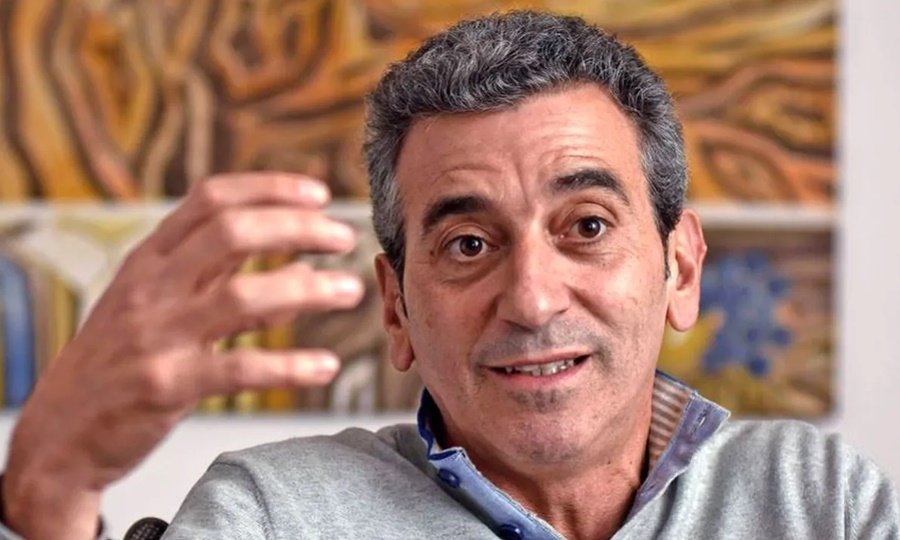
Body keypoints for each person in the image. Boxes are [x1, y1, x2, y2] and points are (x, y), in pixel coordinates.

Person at [1, 10, 898, 540]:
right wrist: (50, 493)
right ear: (396, 307)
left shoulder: (816, 498)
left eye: (587, 227)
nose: (533, 299)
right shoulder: (277, 514)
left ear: (681, 268)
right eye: (468, 244)